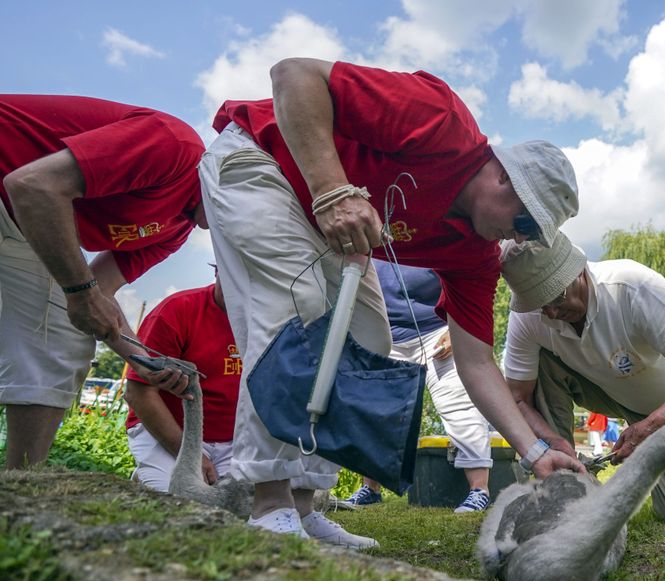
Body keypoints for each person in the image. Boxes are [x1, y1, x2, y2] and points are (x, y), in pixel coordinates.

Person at [199, 58, 585, 539]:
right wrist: (332, 191)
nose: (520, 238)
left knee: (368, 339)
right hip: (263, 160)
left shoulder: (476, 255)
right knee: (297, 311)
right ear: (505, 179)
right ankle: (268, 502)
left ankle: (302, 503)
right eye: (527, 224)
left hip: (320, 220)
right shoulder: (442, 120)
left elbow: (478, 363)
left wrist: (534, 452)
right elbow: (293, 75)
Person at [1, 95, 207, 470]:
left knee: (61, 335)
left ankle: (20, 486)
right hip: (15, 192)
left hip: (21, 226)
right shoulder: (175, 147)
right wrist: (81, 292)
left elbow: (99, 290)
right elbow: (33, 186)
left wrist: (141, 360)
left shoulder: (177, 229)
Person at [501, 233, 665, 522]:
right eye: (538, 302)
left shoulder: (632, 287)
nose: (550, 311)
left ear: (578, 271)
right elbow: (517, 398)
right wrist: (550, 442)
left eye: (556, 296)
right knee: (539, 365)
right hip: (617, 396)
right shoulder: (531, 315)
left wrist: (651, 426)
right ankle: (562, 487)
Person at [346, 260, 493, 513]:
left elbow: (463, 274)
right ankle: (370, 489)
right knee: (376, 410)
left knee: (458, 403)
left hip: (436, 330)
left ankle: (479, 490)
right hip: (384, 331)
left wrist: (455, 326)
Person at [124, 270, 239, 492]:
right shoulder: (177, 310)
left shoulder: (266, 321)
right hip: (173, 434)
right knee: (179, 499)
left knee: (250, 511)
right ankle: (153, 472)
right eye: (234, 272)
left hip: (233, 442)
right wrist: (190, 455)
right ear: (217, 270)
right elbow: (138, 392)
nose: (240, 285)